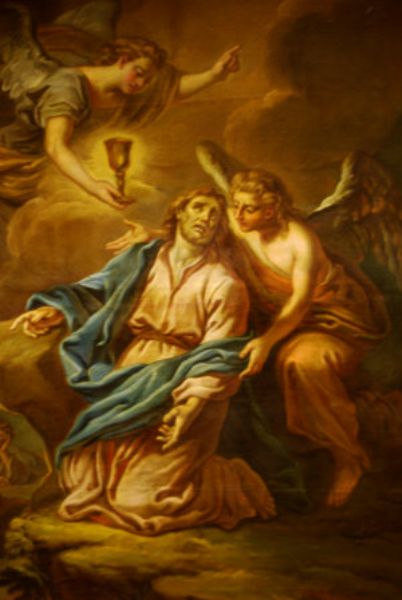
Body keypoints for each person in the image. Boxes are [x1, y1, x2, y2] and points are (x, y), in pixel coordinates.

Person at [11, 187, 275, 535]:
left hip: (186, 385)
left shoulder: (225, 283)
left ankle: (230, 481)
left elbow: (220, 356)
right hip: (132, 376)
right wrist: (56, 311)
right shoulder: (143, 259)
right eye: (198, 208)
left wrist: (189, 407)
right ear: (179, 212)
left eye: (214, 213)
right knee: (80, 477)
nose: (206, 218)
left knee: (144, 501)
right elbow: (99, 291)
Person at [229, 169, 389, 507]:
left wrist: (266, 342)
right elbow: (196, 233)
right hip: (287, 323)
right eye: (235, 205)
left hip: (334, 321)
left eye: (248, 209)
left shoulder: (300, 241)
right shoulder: (241, 223)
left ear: (270, 211)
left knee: (302, 362)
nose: (238, 214)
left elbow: (301, 302)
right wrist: (151, 236)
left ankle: (348, 457)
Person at [0, 3, 241, 210]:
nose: (141, 84)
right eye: (139, 73)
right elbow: (55, 146)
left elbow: (171, 88)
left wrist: (214, 75)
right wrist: (94, 186)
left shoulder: (123, 90)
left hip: (61, 171)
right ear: (123, 60)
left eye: (147, 80)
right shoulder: (66, 88)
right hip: (18, 163)